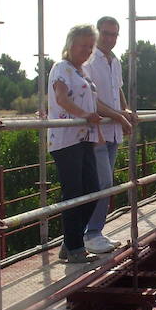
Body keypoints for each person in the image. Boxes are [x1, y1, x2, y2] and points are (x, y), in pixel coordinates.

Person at [48, 24, 104, 264]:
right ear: (71, 45)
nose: (87, 50)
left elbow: (93, 105)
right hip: (66, 139)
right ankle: (74, 247)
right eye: (83, 45)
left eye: (91, 46)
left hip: (84, 138)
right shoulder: (62, 68)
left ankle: (70, 241)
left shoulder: (82, 72)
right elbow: (61, 99)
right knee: (74, 192)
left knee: (92, 190)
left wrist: (95, 129)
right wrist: (85, 116)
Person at [82, 16, 135, 254]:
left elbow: (118, 89)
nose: (110, 38)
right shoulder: (90, 61)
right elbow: (91, 98)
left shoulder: (114, 61)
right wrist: (118, 115)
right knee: (101, 182)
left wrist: (126, 110)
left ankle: (91, 232)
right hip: (96, 131)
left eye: (114, 34)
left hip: (112, 131)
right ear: (97, 32)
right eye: (106, 33)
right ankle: (90, 233)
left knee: (104, 181)